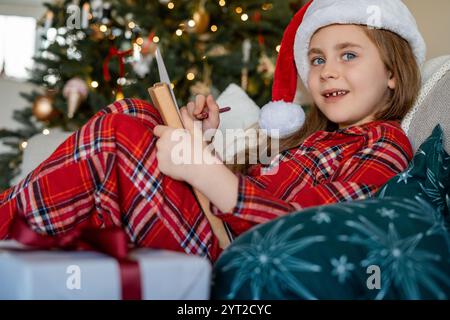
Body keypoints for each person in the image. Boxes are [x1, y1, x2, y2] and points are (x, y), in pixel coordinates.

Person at [0, 0, 424, 263]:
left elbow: (307, 232)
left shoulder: (383, 144)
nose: (328, 70)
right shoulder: (307, 138)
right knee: (136, 111)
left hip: (231, 251)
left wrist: (205, 171)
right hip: (212, 221)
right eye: (315, 60)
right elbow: (237, 189)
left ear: (391, 71)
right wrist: (199, 142)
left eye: (348, 55)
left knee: (116, 134)